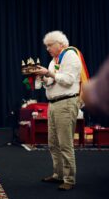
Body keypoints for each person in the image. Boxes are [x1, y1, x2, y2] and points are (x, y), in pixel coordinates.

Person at [35, 31, 82, 191]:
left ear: (60, 44)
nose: (47, 48)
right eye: (46, 46)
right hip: (53, 104)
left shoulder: (70, 56)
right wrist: (44, 79)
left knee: (65, 144)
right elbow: (52, 82)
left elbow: (68, 80)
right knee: (53, 143)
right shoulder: (53, 60)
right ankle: (58, 174)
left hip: (66, 103)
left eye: (50, 45)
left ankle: (69, 179)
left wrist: (49, 74)